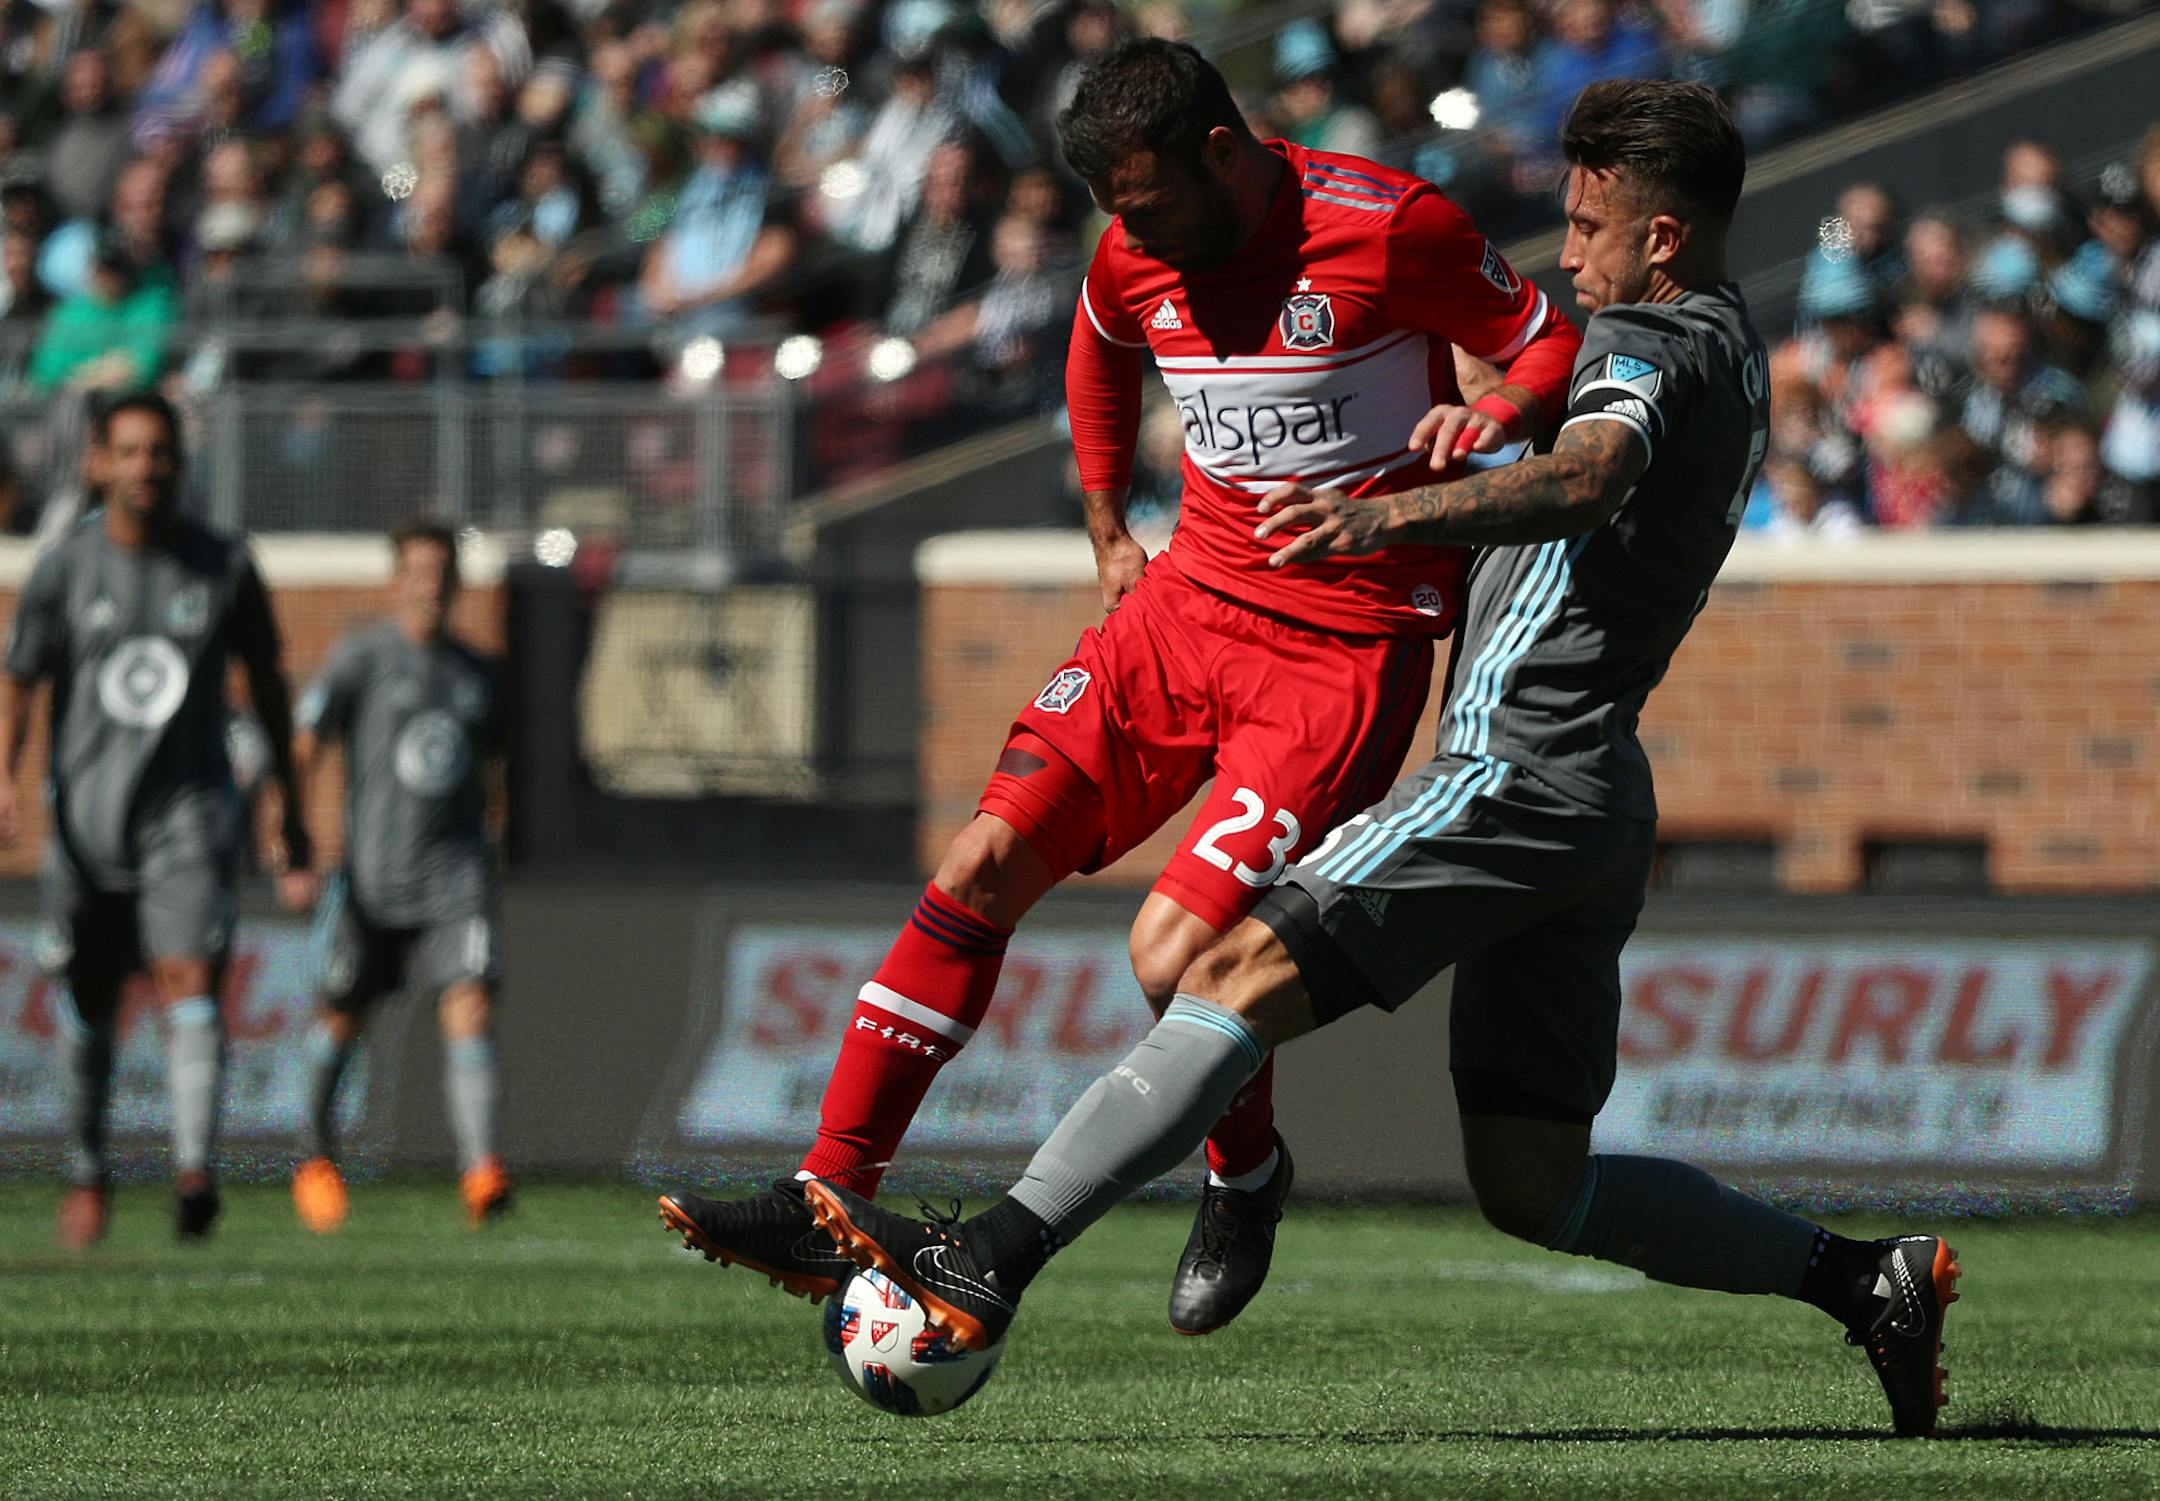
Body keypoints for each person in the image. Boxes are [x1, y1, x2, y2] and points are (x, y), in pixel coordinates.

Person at [798, 79, 1962, 1443]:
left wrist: (1380, 517)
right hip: (1594, 793)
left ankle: (988, 1256)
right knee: (1536, 1185)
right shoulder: (1725, 340)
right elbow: (1556, 433)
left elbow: (1588, 472)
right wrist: (1482, 415)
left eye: (1588, 229)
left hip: (1509, 766)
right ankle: (1863, 1279)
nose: (1566, 254)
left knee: (1216, 966)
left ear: (1661, 241)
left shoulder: (1650, 344)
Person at [656, 37, 1581, 1337]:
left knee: (1174, 953)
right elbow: (1098, 352)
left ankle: (1245, 1173)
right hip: (1180, 610)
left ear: (1221, 150)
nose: (1128, 234)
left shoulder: (1389, 226)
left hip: (1339, 655)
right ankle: (831, 1200)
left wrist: (1490, 421)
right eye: (1110, 212)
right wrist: (1102, 516)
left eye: (1144, 204)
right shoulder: (1137, 250)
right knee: (981, 862)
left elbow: (1547, 341)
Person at [0, 391, 312, 1247]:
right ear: (96, 463)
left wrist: (289, 794)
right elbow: (20, 678)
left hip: (189, 815)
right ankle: (88, 1169)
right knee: (90, 1004)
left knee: (188, 983)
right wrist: (4, 778)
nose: (146, 468)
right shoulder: (65, 568)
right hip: (87, 823)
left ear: (179, 462)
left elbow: (271, 684)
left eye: (160, 452)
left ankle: (192, 1174)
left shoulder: (222, 565)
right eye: (129, 452)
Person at [283, 520, 510, 1233]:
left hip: (455, 879)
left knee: (470, 1005)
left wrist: (493, 836)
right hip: (373, 879)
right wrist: (296, 841)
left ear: (456, 581)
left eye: (442, 569)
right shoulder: (362, 657)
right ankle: (315, 1157)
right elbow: (307, 740)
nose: (431, 582)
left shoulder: (478, 673)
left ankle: (480, 1169)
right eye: (418, 568)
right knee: (342, 1018)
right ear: (397, 579)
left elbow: (496, 769)